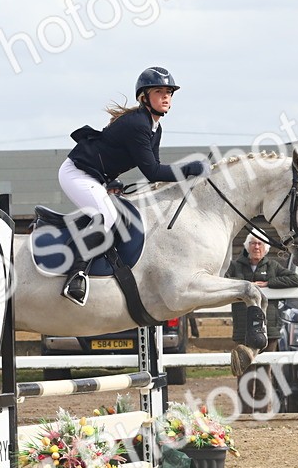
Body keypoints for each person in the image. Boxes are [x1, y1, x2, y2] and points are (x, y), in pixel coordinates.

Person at [57, 66, 210, 305]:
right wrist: (190, 169)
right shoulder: (138, 124)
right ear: (144, 97)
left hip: (95, 177)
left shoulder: (154, 127)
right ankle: (75, 276)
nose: (166, 96)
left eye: (169, 92)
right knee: (106, 215)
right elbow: (152, 172)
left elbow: (156, 168)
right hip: (76, 174)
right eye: (159, 91)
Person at [225, 231, 298, 351]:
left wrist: (269, 283)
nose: (256, 247)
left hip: (269, 328)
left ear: (266, 248)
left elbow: (295, 279)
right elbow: (225, 281)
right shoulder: (235, 266)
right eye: (253, 243)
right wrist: (247, 285)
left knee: (266, 367)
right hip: (243, 327)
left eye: (260, 243)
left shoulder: (273, 266)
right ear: (247, 246)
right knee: (246, 367)